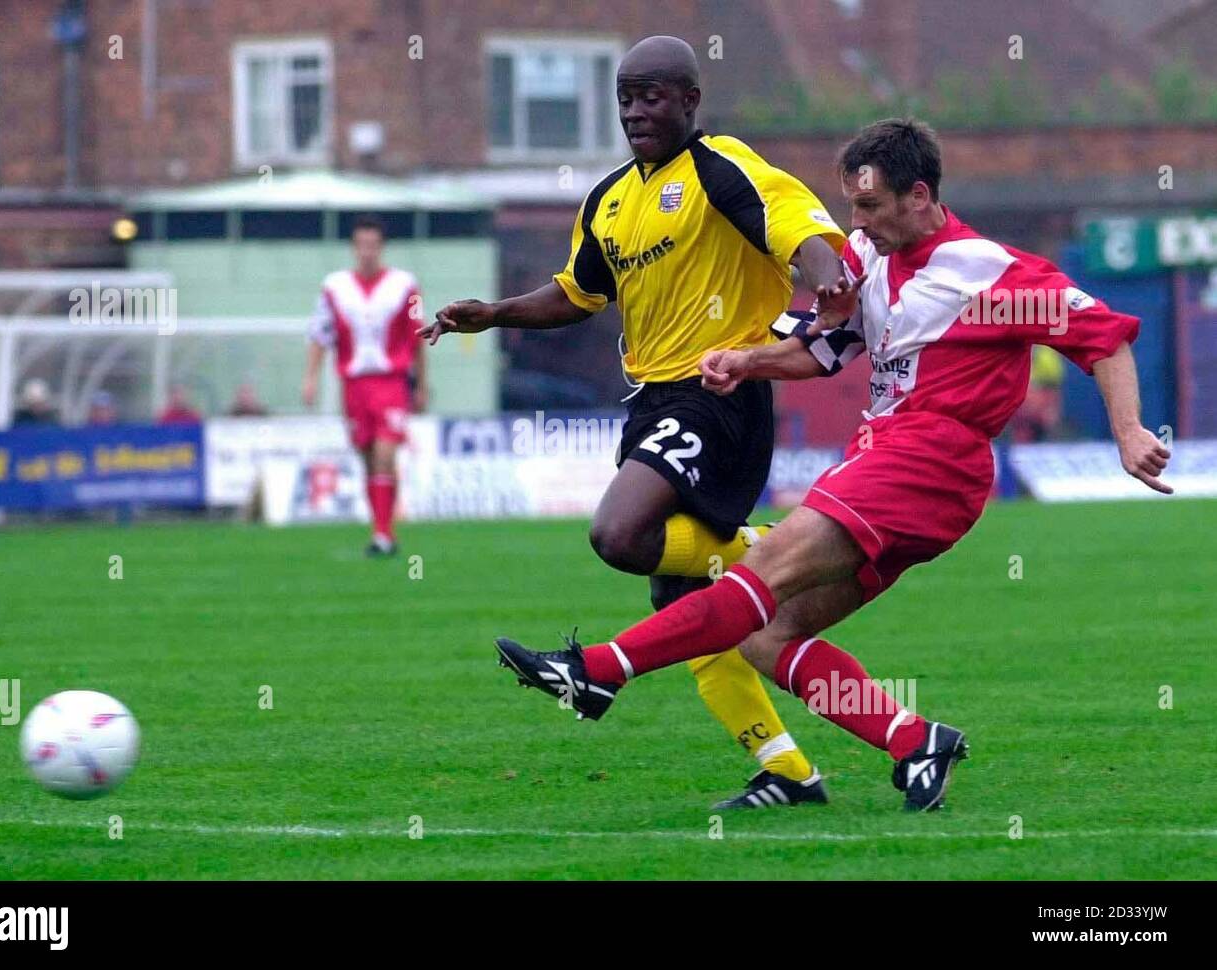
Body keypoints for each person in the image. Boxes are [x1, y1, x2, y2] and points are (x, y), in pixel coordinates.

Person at [493, 118, 1171, 812]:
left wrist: (1127, 433)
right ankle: (914, 740)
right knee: (766, 634)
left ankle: (600, 670)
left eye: (870, 207)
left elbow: (1104, 338)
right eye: (851, 206)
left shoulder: (987, 270)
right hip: (888, 462)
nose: (858, 223)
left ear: (919, 196)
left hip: (929, 459)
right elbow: (824, 349)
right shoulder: (868, 261)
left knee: (759, 574)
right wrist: (748, 359)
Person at [422, 36, 849, 809]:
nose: (636, 111)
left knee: (617, 535)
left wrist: (827, 287)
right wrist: (494, 315)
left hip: (718, 392)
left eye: (653, 96)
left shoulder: (723, 168)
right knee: (680, 604)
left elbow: (804, 235)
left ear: (690, 100)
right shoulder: (610, 198)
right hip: (653, 399)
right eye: (626, 97)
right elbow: (579, 291)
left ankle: (766, 549)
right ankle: (788, 772)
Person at [303, 216, 426, 557]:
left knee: (387, 454)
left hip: (391, 383)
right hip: (354, 385)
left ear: (381, 247)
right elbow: (319, 335)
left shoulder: (404, 285)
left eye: (373, 245)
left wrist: (422, 384)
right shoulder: (334, 287)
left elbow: (419, 336)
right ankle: (380, 529)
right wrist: (310, 378)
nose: (368, 252)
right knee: (369, 459)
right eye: (362, 245)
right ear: (354, 248)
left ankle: (385, 534)